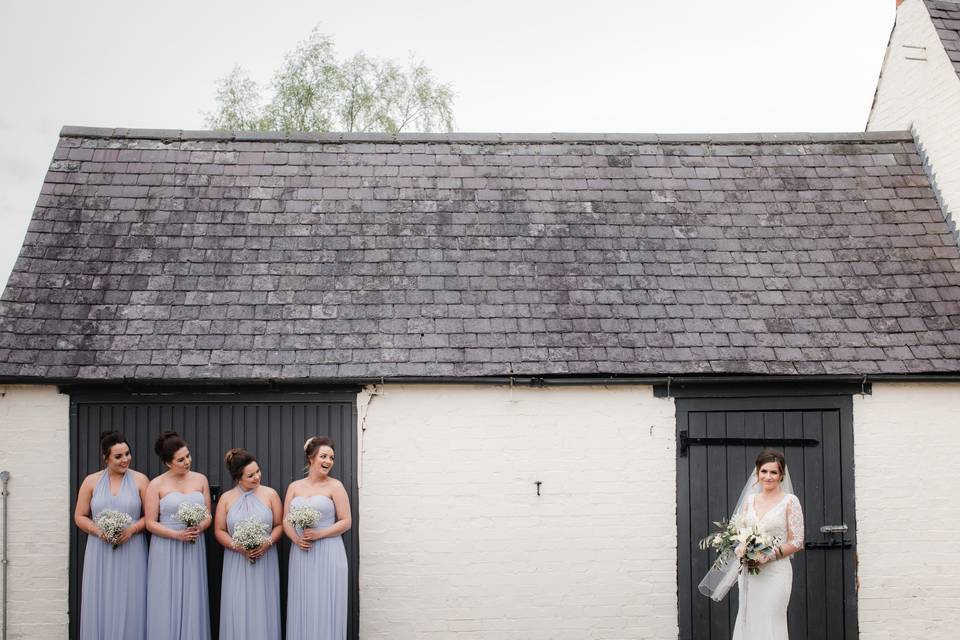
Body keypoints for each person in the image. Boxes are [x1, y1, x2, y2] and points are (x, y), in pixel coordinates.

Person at [74, 431, 149, 640]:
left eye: (127, 454)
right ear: (105, 458)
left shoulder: (141, 480)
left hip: (132, 548)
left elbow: (151, 517)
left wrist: (132, 529)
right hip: (99, 550)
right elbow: (79, 516)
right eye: (118, 456)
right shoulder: (91, 482)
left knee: (131, 600)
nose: (125, 460)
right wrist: (99, 531)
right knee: (101, 598)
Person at [144, 431, 212, 640]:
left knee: (192, 597)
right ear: (168, 463)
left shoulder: (201, 480)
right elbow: (150, 522)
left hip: (193, 544)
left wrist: (199, 527)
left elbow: (208, 514)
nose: (187, 461)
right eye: (180, 459)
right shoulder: (156, 484)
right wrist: (176, 535)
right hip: (166, 547)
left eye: (188, 456)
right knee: (166, 597)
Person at [731, 449, 804, 640]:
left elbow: (797, 541)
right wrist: (742, 549)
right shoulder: (749, 501)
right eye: (764, 471)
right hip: (750, 574)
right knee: (748, 619)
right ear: (757, 473)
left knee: (771, 620)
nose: (768, 476)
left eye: (774, 472)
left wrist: (768, 555)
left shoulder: (790, 501)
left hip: (775, 573)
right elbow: (739, 533)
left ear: (781, 476)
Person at [284, 436, 351, 640]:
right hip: (302, 552)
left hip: (329, 551)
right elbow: (286, 519)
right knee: (304, 601)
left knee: (325, 602)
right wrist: (296, 539)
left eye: (331, 457)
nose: (328, 461)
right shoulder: (294, 487)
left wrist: (319, 534)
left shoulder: (335, 486)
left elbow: (346, 521)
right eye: (323, 456)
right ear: (311, 458)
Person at [213, 448, 282, 640]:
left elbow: (279, 525)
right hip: (236, 560)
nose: (257, 477)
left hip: (265, 558)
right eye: (250, 475)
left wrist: (267, 542)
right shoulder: (226, 498)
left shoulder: (270, 494)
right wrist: (239, 547)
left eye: (258, 471)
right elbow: (219, 530)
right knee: (237, 604)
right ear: (238, 478)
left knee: (263, 604)